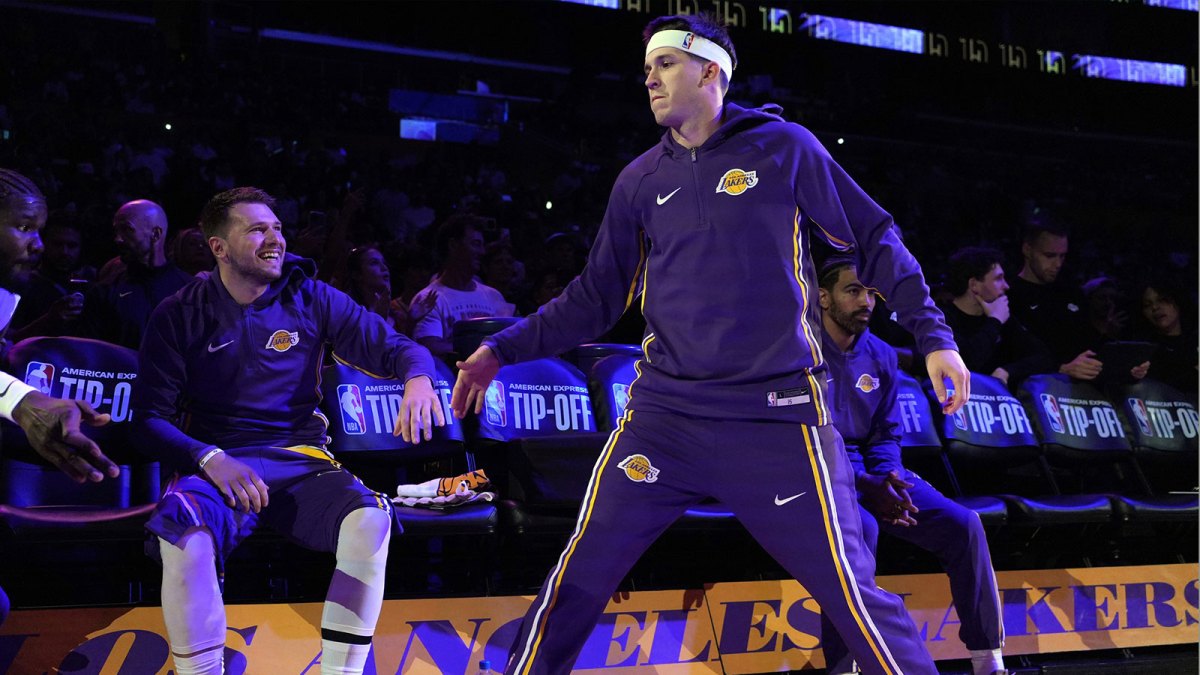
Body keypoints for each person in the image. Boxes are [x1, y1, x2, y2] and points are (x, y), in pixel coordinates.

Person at [451, 14, 969, 675]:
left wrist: (935, 335)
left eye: (664, 65)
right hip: (664, 419)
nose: (650, 80)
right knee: (578, 574)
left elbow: (873, 237)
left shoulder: (785, 147)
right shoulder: (638, 181)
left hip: (775, 417)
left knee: (850, 589)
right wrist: (502, 349)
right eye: (645, 70)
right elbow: (595, 297)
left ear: (710, 71)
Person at [132, 187, 445, 675]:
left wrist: (420, 380)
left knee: (371, 522)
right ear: (219, 248)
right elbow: (149, 420)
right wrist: (209, 458)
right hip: (221, 463)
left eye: (276, 227)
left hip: (301, 459)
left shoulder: (311, 296)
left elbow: (399, 348)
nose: (274, 238)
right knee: (183, 534)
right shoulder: (178, 313)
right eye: (257, 229)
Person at [816, 256, 1006, 675]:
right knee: (859, 529)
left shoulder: (882, 355)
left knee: (964, 525)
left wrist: (891, 479)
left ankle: (987, 659)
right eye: (853, 291)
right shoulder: (797, 350)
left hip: (871, 471)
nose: (866, 301)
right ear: (823, 297)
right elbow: (804, 439)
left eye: (870, 292)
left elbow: (885, 434)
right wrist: (868, 485)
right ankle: (844, 665)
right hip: (816, 471)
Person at [0, 168, 121, 627]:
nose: (38, 245)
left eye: (40, 231)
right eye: (25, 228)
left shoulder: (6, 294)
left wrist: (32, 403)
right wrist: (22, 401)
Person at [82, 199, 194, 349]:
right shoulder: (104, 291)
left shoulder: (191, 290)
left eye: (127, 230)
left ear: (155, 234)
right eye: (116, 231)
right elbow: (92, 355)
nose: (118, 239)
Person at [940, 246, 1055, 388]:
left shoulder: (1003, 319)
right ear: (974, 285)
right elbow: (966, 361)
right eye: (998, 279)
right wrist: (994, 321)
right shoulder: (942, 319)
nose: (1006, 286)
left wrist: (1007, 371)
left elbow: (1043, 357)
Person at [1005, 222, 1107, 382]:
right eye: (1049, 256)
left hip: (1081, 391)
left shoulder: (1072, 292)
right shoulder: (1009, 295)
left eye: (1062, 256)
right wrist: (1060, 368)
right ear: (1027, 250)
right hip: (1032, 391)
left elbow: (1090, 343)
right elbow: (1013, 353)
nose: (1058, 264)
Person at [410, 214, 514, 356]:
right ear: (453, 245)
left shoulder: (493, 295)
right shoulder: (428, 299)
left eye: (482, 245)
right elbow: (430, 346)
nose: (482, 252)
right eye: (476, 244)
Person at [1136, 279, 1197, 393]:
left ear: (1177, 302)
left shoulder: (1194, 341)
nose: (1155, 308)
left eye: (1162, 300)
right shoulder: (1145, 349)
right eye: (1147, 305)